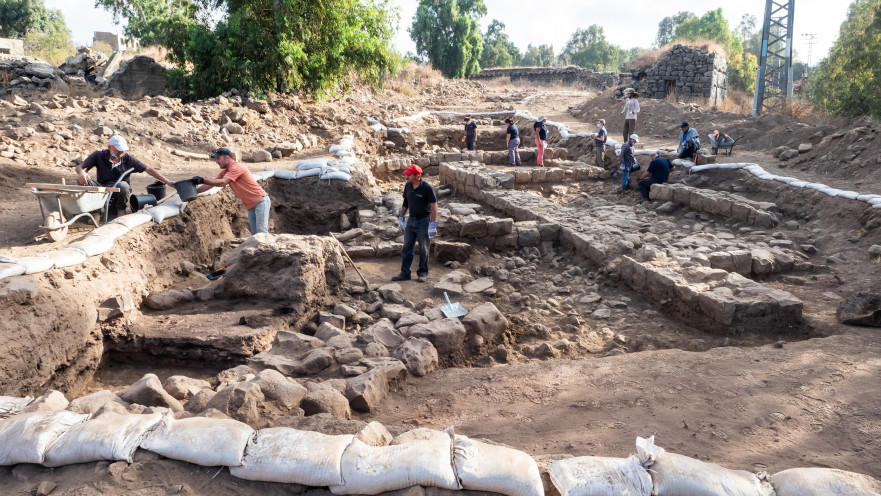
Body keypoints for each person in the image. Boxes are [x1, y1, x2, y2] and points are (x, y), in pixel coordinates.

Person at [76, 135, 174, 216]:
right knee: (81, 181)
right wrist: (81, 172)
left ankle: (121, 209)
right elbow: (79, 167)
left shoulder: (128, 158)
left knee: (123, 185)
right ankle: (95, 212)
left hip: (120, 189)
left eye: (123, 150)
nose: (121, 153)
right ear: (109, 147)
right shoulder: (99, 155)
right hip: (102, 187)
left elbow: (148, 169)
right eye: (118, 150)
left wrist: (168, 181)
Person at [194, 148, 271, 235]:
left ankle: (270, 248)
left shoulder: (236, 167)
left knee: (262, 233)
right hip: (250, 205)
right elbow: (211, 184)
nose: (216, 161)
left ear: (226, 158)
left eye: (218, 158)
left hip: (260, 201)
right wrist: (195, 191)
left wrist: (202, 180)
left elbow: (223, 182)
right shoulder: (225, 171)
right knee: (255, 235)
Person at [392, 164, 438, 283]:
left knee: (424, 248)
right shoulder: (408, 186)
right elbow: (406, 202)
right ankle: (405, 273)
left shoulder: (427, 188)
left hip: (424, 221)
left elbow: (434, 206)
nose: (406, 176)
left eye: (409, 174)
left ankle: (422, 273)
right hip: (411, 221)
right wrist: (401, 217)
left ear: (417, 176)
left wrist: (432, 224)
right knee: (407, 247)